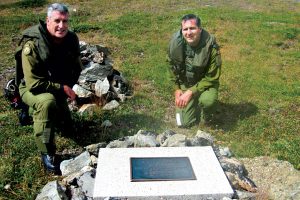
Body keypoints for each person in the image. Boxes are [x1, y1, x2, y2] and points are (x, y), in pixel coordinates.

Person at [17, 3, 83, 173]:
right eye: (57, 21)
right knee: (47, 103)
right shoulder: (32, 46)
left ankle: (37, 113)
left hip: (56, 86)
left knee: (67, 128)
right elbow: (34, 83)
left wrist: (68, 85)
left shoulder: (71, 39)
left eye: (65, 21)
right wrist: (62, 88)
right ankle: (47, 151)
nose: (62, 26)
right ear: (48, 21)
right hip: (32, 88)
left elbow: (76, 67)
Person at [167, 14, 222, 128]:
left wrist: (190, 92)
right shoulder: (175, 44)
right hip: (185, 84)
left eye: (192, 28)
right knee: (183, 123)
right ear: (181, 31)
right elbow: (170, 67)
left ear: (199, 29)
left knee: (207, 101)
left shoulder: (211, 46)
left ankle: (207, 117)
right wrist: (177, 89)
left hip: (206, 83)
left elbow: (212, 77)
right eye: (185, 29)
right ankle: (193, 104)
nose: (189, 33)